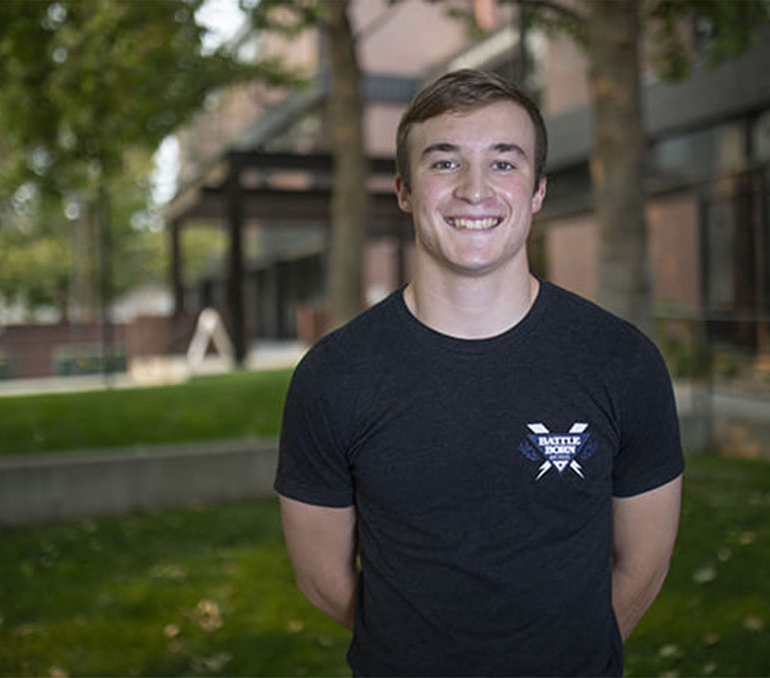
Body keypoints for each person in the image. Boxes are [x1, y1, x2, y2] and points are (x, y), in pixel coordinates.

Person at [274, 68, 684, 677]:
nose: (474, 189)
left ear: (538, 190)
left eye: (503, 162)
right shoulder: (333, 377)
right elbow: (321, 577)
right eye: (444, 163)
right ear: (405, 190)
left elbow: (644, 565)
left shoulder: (622, 362)